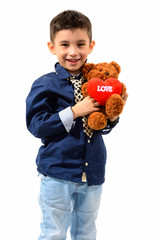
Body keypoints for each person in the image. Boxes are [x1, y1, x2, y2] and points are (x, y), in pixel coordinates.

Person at [26, 10, 128, 240]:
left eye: (80, 44)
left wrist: (112, 116)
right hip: (57, 172)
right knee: (53, 232)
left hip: (91, 173)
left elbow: (100, 126)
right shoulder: (45, 85)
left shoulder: (98, 83)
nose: (73, 52)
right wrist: (74, 111)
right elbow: (36, 125)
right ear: (52, 47)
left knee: (86, 232)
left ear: (90, 45)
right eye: (65, 44)